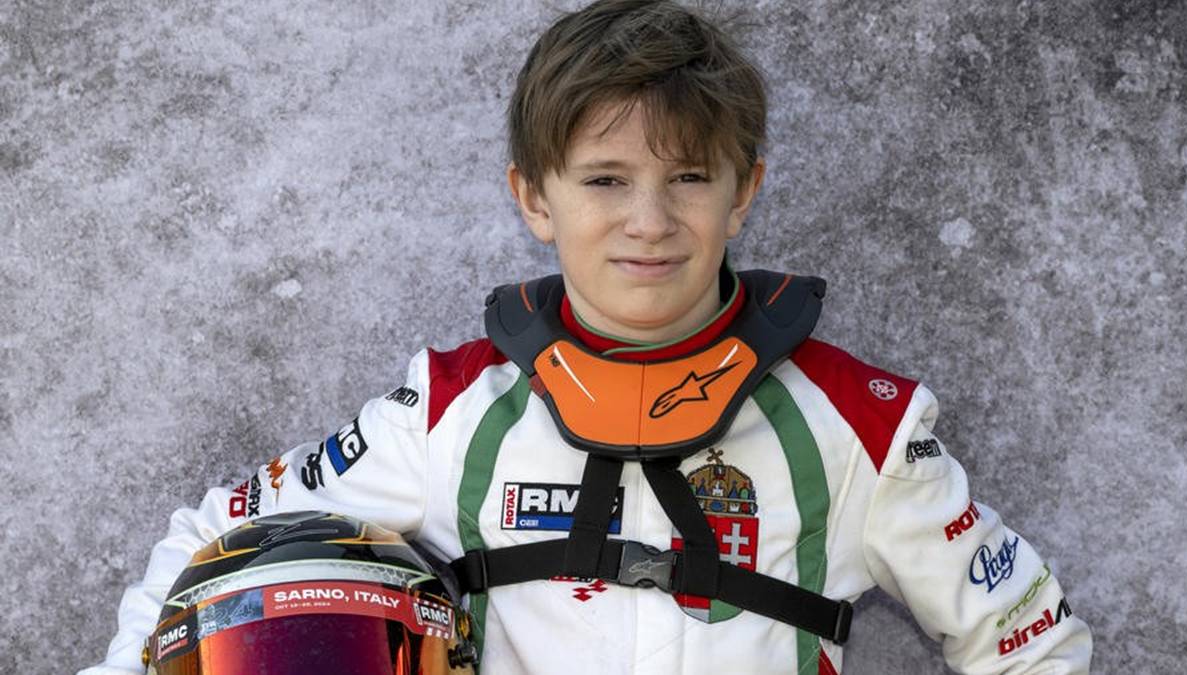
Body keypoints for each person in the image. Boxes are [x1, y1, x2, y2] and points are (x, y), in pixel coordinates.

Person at [83, 1, 1093, 673]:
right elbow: (207, 544)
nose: (649, 221)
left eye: (689, 178)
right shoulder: (447, 414)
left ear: (744, 193)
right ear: (534, 197)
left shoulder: (862, 429)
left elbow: (1032, 643)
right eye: (606, 180)